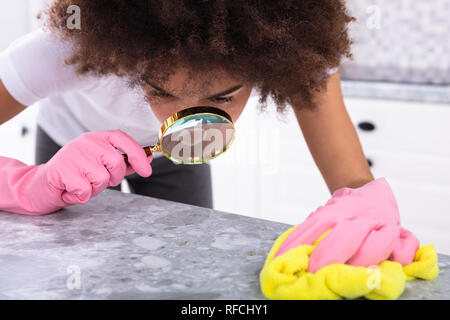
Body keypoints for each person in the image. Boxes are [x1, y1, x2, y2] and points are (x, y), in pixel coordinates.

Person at [0, 1, 418, 271]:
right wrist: (27, 185)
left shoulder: (294, 45)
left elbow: (354, 181)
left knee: (182, 263)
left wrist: (366, 203)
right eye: (160, 91)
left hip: (173, 158)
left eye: (224, 96)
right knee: (68, 265)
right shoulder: (63, 48)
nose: (190, 119)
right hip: (67, 143)